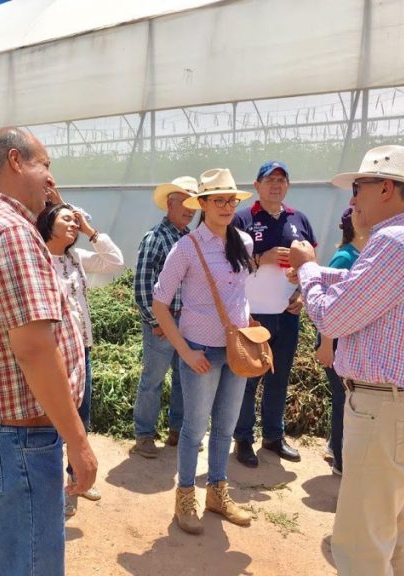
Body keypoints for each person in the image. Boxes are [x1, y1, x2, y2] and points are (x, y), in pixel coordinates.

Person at [288, 145, 404, 575]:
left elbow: (333, 315)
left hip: (385, 412)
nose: (352, 199)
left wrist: (309, 269)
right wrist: (319, 274)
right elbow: (367, 284)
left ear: (385, 188)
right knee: (395, 528)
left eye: (358, 187)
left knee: (359, 546)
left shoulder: (392, 241)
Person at [0, 127, 98, 576]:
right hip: (17, 444)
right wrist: (79, 443)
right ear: (16, 161)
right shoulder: (12, 232)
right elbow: (34, 349)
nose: (50, 179)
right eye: (44, 165)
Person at [153, 169, 255, 534]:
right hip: (200, 350)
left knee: (225, 428)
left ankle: (217, 492)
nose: (227, 206)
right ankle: (184, 496)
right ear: (204, 205)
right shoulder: (187, 247)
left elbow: (240, 294)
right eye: (219, 200)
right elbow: (160, 302)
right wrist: (183, 351)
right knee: (194, 430)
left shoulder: (244, 241)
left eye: (232, 200)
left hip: (236, 350)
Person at [36, 200, 123, 516]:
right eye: (67, 220)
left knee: (80, 415)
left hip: (82, 346)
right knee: (54, 418)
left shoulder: (76, 257)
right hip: (54, 351)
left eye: (77, 221)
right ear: (48, 223)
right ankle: (50, 484)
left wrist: (90, 231)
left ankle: (76, 477)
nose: (74, 224)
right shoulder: (39, 260)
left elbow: (114, 261)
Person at [232, 161, 316, 467]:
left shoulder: (299, 219)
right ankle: (242, 438)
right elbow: (228, 266)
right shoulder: (241, 218)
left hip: (287, 312)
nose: (276, 185)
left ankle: (273, 436)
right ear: (257, 186)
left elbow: (311, 261)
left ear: (288, 186)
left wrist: (302, 292)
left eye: (282, 180)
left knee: (279, 377)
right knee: (249, 377)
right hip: (253, 314)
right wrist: (261, 257)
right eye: (270, 180)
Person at [132, 176, 197, 457]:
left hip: (186, 321)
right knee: (153, 379)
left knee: (184, 377)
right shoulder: (156, 238)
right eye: (184, 201)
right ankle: (144, 435)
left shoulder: (188, 238)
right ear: (169, 203)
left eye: (193, 203)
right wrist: (156, 320)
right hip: (164, 322)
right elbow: (142, 284)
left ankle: (177, 430)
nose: (190, 209)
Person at [314, 208, 368, 476]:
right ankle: (340, 458)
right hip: (333, 341)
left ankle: (335, 447)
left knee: (345, 397)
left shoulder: (362, 255)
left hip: (344, 340)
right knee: (343, 398)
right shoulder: (345, 257)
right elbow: (327, 301)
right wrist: (325, 345)